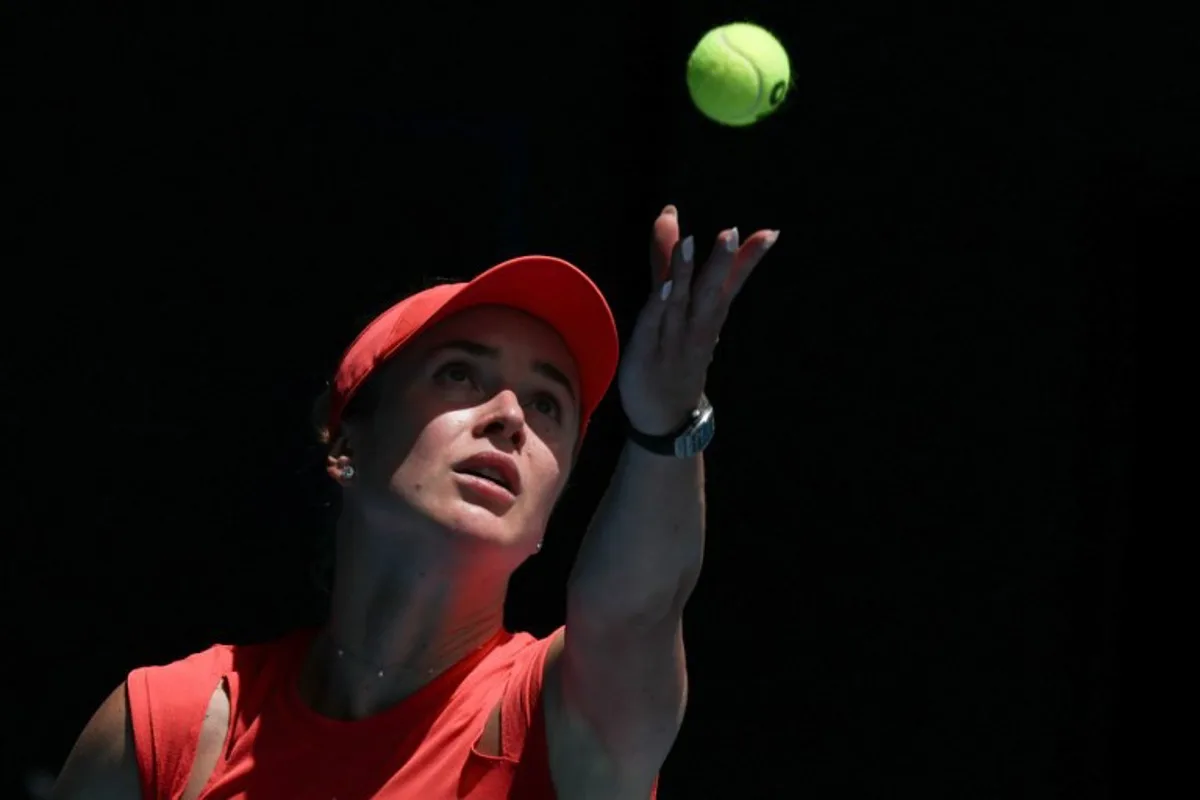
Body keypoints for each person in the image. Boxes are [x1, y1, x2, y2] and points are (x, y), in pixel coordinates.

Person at [50, 206, 779, 799]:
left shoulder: (563, 717)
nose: (510, 416)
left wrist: (665, 426)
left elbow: (637, 611)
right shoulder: (170, 730)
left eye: (547, 404)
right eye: (459, 374)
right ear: (347, 442)